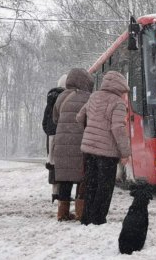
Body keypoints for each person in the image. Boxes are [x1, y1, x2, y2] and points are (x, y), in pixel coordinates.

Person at [76, 71, 131, 225]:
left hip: (88, 151)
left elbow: (79, 117)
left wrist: (90, 132)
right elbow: (118, 128)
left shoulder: (93, 97)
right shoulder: (118, 103)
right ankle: (98, 219)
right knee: (104, 187)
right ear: (120, 87)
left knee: (90, 184)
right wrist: (125, 152)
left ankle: (86, 218)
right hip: (107, 154)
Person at [52, 68, 93, 221]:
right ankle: (80, 212)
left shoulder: (61, 97)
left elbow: (55, 119)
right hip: (80, 142)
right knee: (82, 178)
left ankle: (62, 213)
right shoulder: (87, 98)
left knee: (65, 179)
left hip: (62, 143)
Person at [42, 74, 66, 203]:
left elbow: (44, 122)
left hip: (51, 137)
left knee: (53, 164)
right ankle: (62, 194)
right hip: (62, 136)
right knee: (63, 165)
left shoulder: (50, 100)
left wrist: (50, 133)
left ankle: (54, 193)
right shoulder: (65, 99)